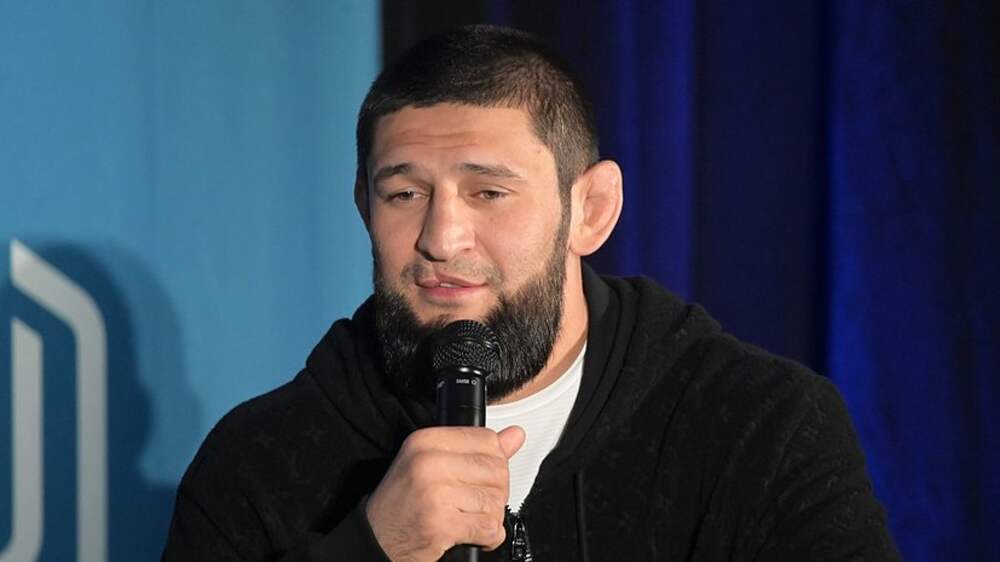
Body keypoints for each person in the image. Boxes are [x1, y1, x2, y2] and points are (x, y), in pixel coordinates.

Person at [161, 25, 900, 562]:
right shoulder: (261, 461)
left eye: (489, 191)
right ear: (364, 207)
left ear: (592, 210)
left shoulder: (759, 429)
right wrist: (372, 549)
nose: (441, 238)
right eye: (404, 193)